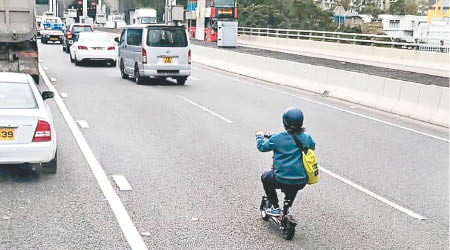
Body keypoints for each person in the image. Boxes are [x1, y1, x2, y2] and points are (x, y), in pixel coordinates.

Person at [256, 107, 315, 216]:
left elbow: (262, 147)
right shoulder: (306, 138)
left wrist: (259, 136)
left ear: (285, 122)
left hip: (280, 179)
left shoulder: (277, 138)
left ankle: (275, 207)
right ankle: (287, 207)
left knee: (265, 177)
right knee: (294, 183)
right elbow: (312, 146)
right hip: (301, 181)